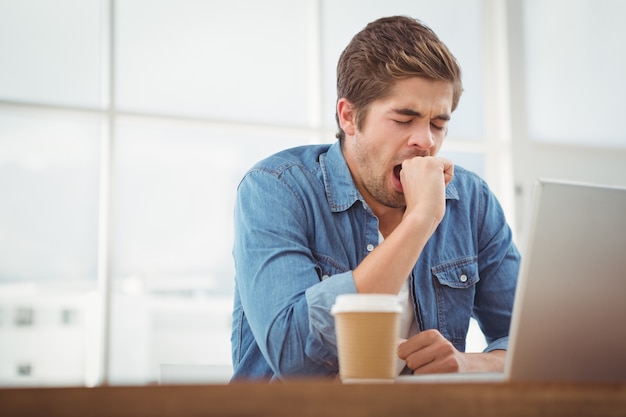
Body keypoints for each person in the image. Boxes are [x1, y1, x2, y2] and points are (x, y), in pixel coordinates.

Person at [230, 15, 520, 381]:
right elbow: (294, 356)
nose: (426, 142)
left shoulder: (472, 200)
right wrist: (420, 221)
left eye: (438, 124)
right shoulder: (275, 189)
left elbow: (533, 344)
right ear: (349, 117)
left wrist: (469, 363)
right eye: (404, 119)